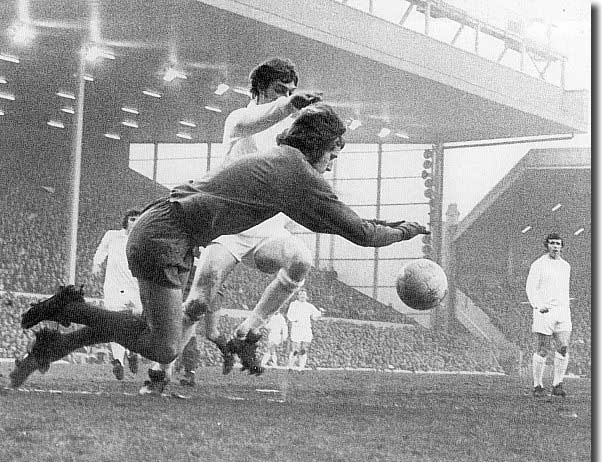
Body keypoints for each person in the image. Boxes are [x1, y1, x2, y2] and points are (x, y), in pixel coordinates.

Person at [10, 103, 429, 394]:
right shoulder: (298, 174)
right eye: (334, 152)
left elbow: (336, 225)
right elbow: (359, 234)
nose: (333, 161)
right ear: (319, 147)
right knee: (164, 346)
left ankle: (54, 345)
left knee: (146, 329)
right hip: (165, 237)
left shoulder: (281, 162)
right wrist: (408, 230)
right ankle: (68, 308)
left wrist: (389, 226)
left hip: (164, 229)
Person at [154, 57, 323, 385]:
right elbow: (262, 117)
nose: (285, 96)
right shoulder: (239, 119)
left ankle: (247, 333)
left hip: (267, 228)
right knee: (199, 303)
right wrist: (288, 105)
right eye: (279, 90)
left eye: (290, 91)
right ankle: (159, 371)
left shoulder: (288, 133)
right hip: (229, 227)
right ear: (260, 89)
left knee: (301, 259)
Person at [91, 209, 141, 380]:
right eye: (132, 219)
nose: (135, 222)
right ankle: (118, 361)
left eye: (138, 219)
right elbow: (101, 250)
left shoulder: (142, 239)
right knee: (114, 323)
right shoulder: (112, 236)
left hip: (135, 288)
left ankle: (133, 352)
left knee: (137, 322)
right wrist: (97, 264)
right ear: (126, 221)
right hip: (114, 288)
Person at [526, 233, 572, 398]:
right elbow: (530, 288)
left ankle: (557, 384)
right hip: (544, 311)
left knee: (563, 347)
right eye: (552, 243)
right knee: (543, 349)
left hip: (562, 311)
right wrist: (538, 305)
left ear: (562, 246)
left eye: (558, 243)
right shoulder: (538, 264)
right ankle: (537, 385)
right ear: (547, 245)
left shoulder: (566, 266)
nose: (555, 246)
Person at [286, 288, 321, 371]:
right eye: (300, 294)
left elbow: (315, 317)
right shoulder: (293, 304)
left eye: (304, 294)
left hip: (306, 330)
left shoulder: (309, 306)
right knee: (295, 350)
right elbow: (289, 315)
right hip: (297, 329)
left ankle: (301, 368)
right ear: (298, 296)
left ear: (306, 296)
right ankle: (290, 367)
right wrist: (295, 319)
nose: (302, 296)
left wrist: (320, 313)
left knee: (303, 350)